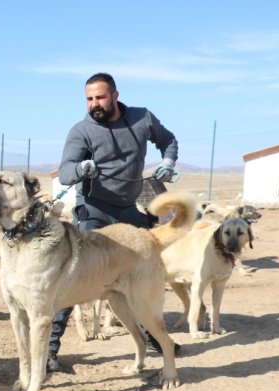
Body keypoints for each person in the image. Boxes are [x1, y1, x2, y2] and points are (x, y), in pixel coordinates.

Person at [47, 72, 180, 373]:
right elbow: (66, 171)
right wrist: (81, 167)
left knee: (145, 273)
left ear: (115, 96)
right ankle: (50, 350)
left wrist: (169, 162)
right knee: (73, 274)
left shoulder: (142, 118)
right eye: (89, 99)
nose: (94, 104)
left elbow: (168, 140)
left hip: (130, 209)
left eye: (100, 97)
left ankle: (155, 338)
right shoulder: (81, 130)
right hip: (95, 209)